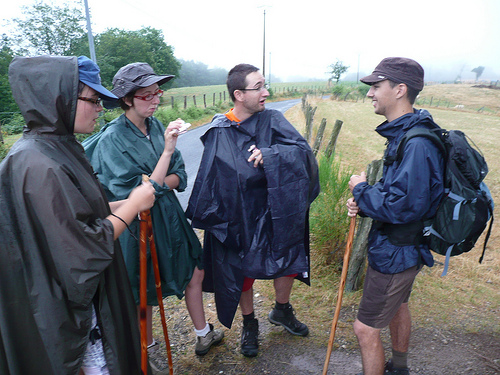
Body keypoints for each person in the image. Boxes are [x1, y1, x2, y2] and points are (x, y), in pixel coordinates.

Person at [0, 55, 157, 375]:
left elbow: (74, 217)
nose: (100, 108)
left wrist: (119, 205)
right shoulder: (40, 164)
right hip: (70, 315)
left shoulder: (56, 147)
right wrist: (133, 205)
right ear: (61, 99)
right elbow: (82, 249)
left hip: (73, 300)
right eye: (94, 99)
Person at [83, 62, 223, 370]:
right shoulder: (112, 140)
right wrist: (165, 158)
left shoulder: (157, 126)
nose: (155, 100)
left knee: (194, 270)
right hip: (136, 226)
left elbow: (178, 177)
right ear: (127, 99)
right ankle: (145, 352)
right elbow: (137, 197)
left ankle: (203, 334)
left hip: (170, 217)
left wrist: (157, 181)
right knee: (141, 290)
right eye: (146, 95)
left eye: (157, 92)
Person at [186, 63, 320, 357]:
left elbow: (302, 153)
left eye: (264, 85)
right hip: (240, 215)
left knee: (288, 259)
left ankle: (282, 310)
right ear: (238, 94)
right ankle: (249, 324)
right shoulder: (220, 130)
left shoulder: (272, 119)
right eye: (258, 87)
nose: (265, 92)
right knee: (241, 269)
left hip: (278, 207)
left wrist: (271, 155)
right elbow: (210, 180)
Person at [346, 57, 445, 375]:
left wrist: (361, 190)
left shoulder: (415, 143)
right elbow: (401, 195)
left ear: (400, 89)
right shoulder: (409, 133)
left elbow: (404, 207)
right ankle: (399, 367)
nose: (369, 93)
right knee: (398, 305)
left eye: (376, 86)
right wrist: (364, 204)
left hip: (395, 254)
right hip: (405, 249)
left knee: (365, 329)